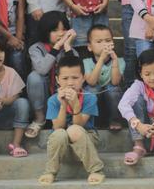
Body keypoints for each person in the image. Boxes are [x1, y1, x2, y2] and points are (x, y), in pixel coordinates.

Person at [37, 55, 105, 185]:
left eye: (75, 78)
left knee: (74, 129)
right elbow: (58, 127)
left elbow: (78, 125)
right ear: (57, 80)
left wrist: (75, 104)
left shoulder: (90, 98)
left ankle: (96, 170)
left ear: (83, 78)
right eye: (65, 78)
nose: (70, 82)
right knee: (59, 133)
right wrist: (63, 105)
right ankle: (50, 172)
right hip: (62, 147)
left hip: (86, 141)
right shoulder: (53, 100)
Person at [26, 12, 78, 139]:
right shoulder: (36, 48)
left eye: (64, 29)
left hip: (61, 99)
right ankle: (39, 119)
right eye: (55, 30)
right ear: (45, 31)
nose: (61, 34)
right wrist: (56, 47)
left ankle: (66, 120)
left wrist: (67, 48)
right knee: (34, 77)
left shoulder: (70, 50)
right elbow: (42, 69)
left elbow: (76, 73)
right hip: (43, 97)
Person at [82, 24, 124, 131]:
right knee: (91, 90)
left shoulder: (120, 61)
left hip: (111, 99)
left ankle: (115, 119)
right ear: (90, 47)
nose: (104, 44)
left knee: (113, 90)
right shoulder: (86, 62)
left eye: (107, 40)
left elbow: (115, 82)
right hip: (96, 98)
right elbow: (91, 82)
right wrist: (101, 59)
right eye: (99, 42)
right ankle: (92, 122)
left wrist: (114, 60)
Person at [0, 38, 30, 158]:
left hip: (8, 116)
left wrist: (3, 101)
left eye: (0, 51)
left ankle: (16, 144)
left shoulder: (11, 72)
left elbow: (16, 95)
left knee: (22, 103)